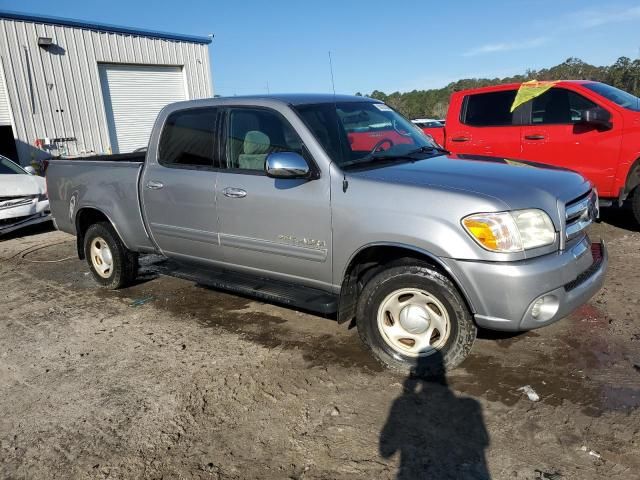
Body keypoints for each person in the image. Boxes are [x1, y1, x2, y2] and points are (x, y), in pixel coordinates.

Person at [379, 351, 490, 479]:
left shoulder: (403, 404)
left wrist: (407, 394)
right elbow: (484, 441)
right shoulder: (470, 405)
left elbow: (386, 451)